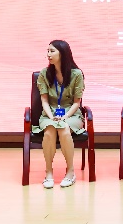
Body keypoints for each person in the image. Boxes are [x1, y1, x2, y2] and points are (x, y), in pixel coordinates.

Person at [34, 40, 85, 189]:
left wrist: (65, 117)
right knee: (49, 130)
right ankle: (48, 172)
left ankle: (70, 172)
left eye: (52, 51)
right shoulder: (44, 73)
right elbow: (44, 100)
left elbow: (76, 102)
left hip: (71, 114)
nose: (48, 54)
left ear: (62, 53)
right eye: (47, 51)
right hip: (49, 113)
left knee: (63, 128)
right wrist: (51, 117)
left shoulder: (76, 74)